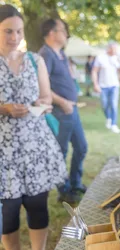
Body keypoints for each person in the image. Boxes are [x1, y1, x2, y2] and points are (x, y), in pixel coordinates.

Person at [0, 5, 67, 250]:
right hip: (3, 152)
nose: (14, 38)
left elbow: (47, 98)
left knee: (38, 205)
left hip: (35, 147)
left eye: (18, 32)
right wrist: (3, 108)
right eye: (8, 31)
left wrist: (42, 103)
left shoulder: (34, 60)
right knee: (8, 210)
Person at [39, 18, 88, 203]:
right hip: (60, 112)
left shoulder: (61, 54)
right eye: (62, 30)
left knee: (81, 147)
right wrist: (62, 101)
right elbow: (41, 86)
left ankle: (75, 183)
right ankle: (64, 191)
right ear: (52, 33)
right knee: (60, 151)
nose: (66, 33)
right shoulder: (45, 54)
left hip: (72, 111)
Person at [92, 42, 120, 133]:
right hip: (103, 86)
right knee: (104, 105)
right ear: (108, 48)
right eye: (113, 49)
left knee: (113, 104)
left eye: (116, 49)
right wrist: (95, 84)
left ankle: (114, 124)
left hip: (114, 85)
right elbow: (94, 71)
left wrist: (119, 62)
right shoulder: (100, 58)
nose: (115, 51)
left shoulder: (117, 58)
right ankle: (108, 117)